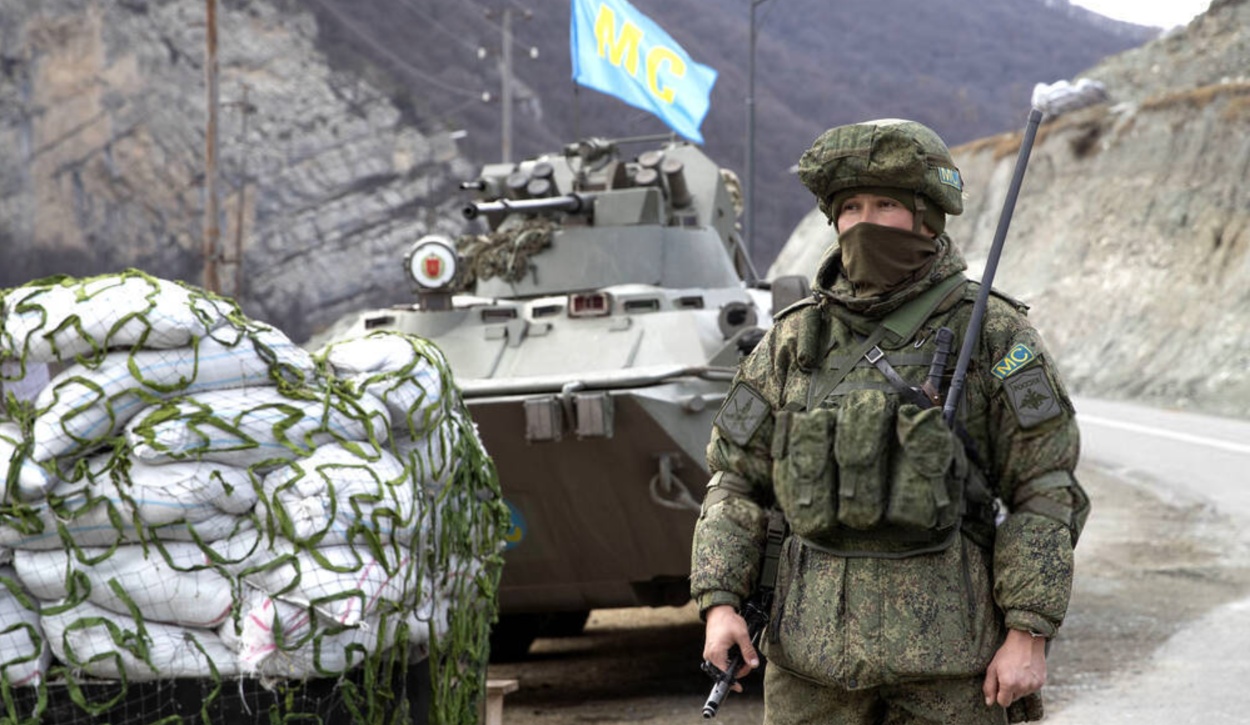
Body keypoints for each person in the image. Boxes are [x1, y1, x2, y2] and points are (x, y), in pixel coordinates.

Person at [691, 118, 1089, 724]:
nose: (865, 221)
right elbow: (735, 481)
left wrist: (1028, 632)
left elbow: (1045, 489)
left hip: (951, 670)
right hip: (810, 668)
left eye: (885, 204)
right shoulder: (794, 340)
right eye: (850, 206)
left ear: (926, 217)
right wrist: (720, 603)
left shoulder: (991, 331)